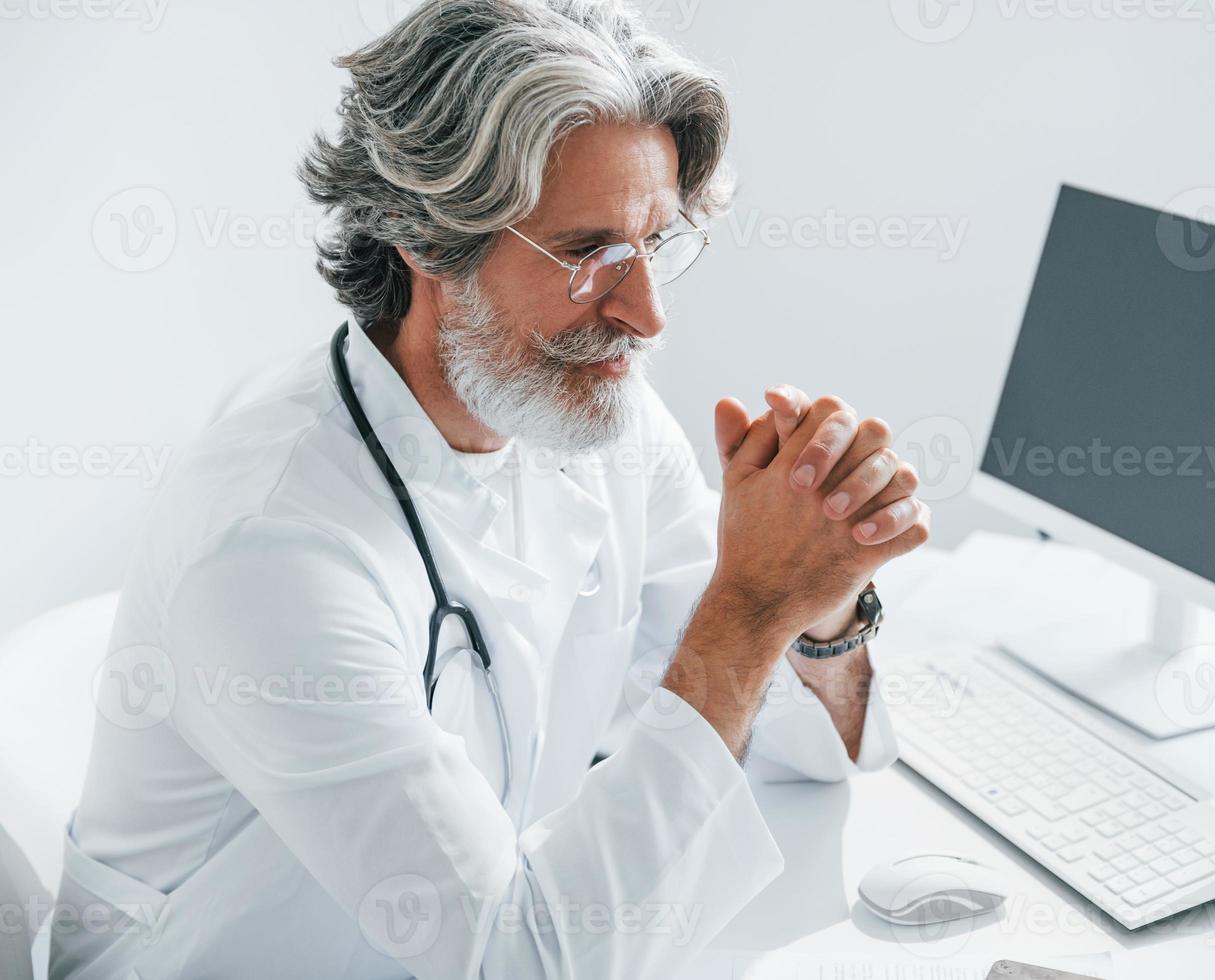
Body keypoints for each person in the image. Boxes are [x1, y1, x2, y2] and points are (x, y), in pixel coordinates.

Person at [50, 2, 930, 977]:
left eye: (656, 242)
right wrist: (754, 601)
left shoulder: (600, 420)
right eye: (591, 252)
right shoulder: (273, 541)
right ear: (425, 236)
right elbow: (518, 961)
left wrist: (825, 588)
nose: (645, 313)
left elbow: (800, 750)